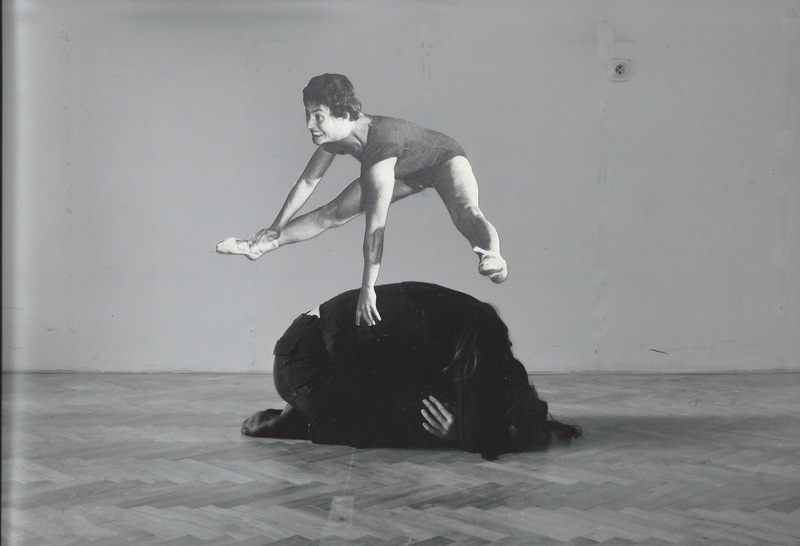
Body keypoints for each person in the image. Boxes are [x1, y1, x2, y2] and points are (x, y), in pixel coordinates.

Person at [217, 74, 508, 326]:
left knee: (465, 211)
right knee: (332, 213)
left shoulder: (380, 152)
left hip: (443, 159)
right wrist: (276, 226)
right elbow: (307, 181)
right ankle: (259, 246)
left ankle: (492, 255)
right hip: (404, 166)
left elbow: (375, 230)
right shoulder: (334, 137)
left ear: (343, 114)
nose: (309, 124)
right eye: (307, 115)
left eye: (318, 116)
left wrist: (368, 289)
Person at [241, 282, 581, 459]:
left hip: (302, 350)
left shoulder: (475, 327)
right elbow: (473, 434)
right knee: (424, 421)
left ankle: (308, 410)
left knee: (429, 404)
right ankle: (305, 422)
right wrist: (462, 432)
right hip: (306, 369)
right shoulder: (478, 346)